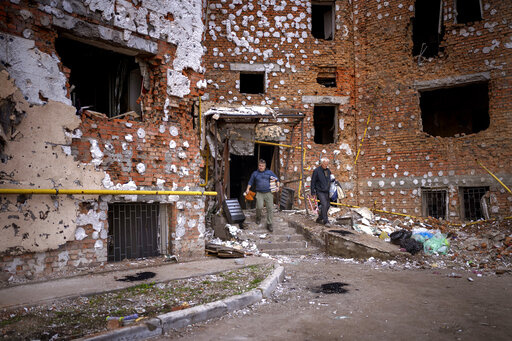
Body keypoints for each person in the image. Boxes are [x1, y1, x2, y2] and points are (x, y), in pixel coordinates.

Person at [244, 159, 279, 232]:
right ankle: (258, 218)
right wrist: (247, 189)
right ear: (258, 166)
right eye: (260, 165)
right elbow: (250, 182)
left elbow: (276, 179)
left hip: (268, 193)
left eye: (262, 166)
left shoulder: (269, 172)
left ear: (265, 166)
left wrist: (277, 187)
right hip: (259, 193)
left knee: (270, 208)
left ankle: (269, 224)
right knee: (259, 207)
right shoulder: (255, 173)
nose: (261, 167)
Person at [311, 158, 332, 225]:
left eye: (327, 164)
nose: (326, 165)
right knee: (324, 204)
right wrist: (313, 192)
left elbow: (329, 179)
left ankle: (320, 218)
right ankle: (326, 221)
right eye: (325, 164)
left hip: (326, 191)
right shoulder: (316, 171)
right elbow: (313, 182)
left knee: (328, 205)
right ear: (322, 163)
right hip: (320, 191)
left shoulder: (328, 171)